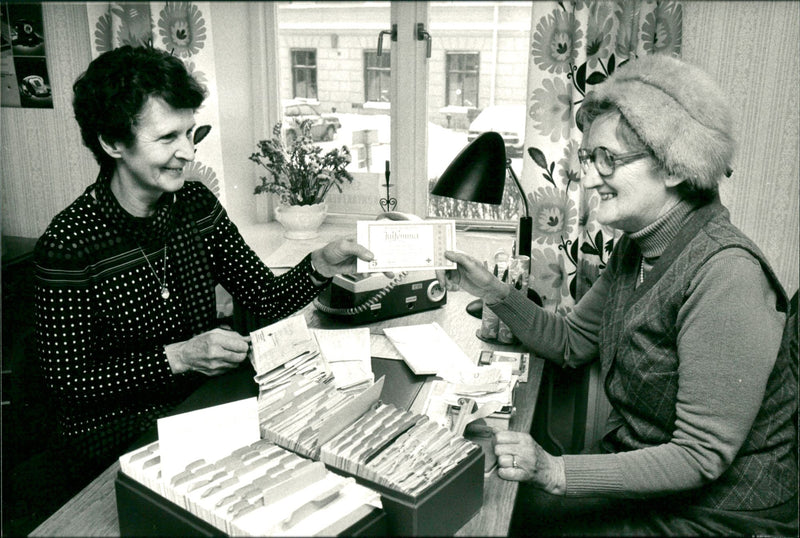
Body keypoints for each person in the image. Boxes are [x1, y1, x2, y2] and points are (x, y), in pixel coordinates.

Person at [438, 54, 797, 536]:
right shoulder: (640, 245)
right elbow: (570, 341)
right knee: (502, 512)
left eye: (607, 158)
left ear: (673, 167)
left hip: (719, 515)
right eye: (587, 159)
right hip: (655, 486)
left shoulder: (727, 275)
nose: (587, 178)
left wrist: (555, 470)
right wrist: (495, 291)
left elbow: (700, 455)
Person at [29, 45, 374, 515]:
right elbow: (68, 386)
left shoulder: (195, 206)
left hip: (203, 408)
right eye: (168, 137)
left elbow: (265, 298)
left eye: (190, 132)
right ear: (112, 142)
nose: (188, 152)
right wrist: (177, 358)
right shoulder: (68, 243)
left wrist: (321, 264)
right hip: (114, 435)